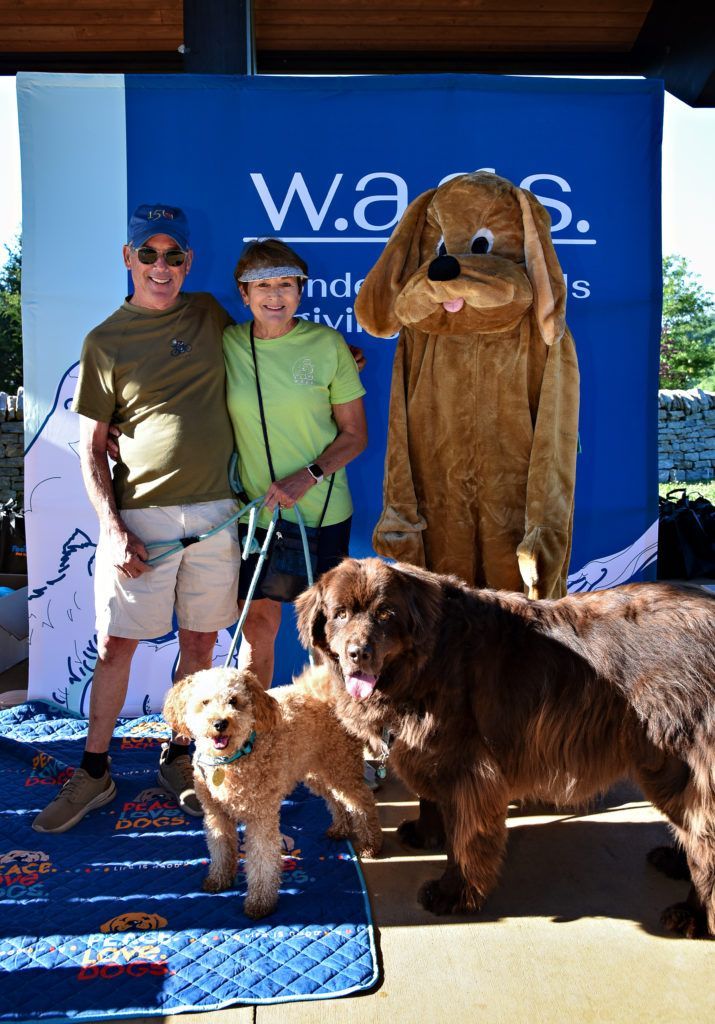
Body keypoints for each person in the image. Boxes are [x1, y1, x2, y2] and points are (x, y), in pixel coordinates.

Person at [33, 204, 242, 833]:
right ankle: (94, 771)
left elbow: (268, 354)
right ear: (127, 259)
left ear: (188, 262)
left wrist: (333, 365)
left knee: (200, 646)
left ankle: (179, 756)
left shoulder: (208, 312)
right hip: (139, 518)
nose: (160, 266)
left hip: (215, 511)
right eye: (146, 254)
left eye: (172, 254)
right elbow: (93, 448)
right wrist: (114, 527)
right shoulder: (105, 340)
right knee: (116, 646)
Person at [223, 239, 367, 688]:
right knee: (259, 630)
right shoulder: (226, 344)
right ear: (243, 295)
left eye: (286, 284)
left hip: (323, 513)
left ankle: (341, 739)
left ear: (300, 291)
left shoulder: (327, 346)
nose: (274, 294)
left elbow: (355, 436)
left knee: (333, 637)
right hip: (258, 516)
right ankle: (254, 739)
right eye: (261, 285)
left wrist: (308, 476)